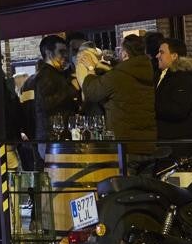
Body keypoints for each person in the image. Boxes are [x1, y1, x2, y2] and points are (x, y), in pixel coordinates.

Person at [78, 34, 157, 166]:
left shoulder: (119, 76)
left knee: (126, 185)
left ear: (125, 54)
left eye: (119, 50)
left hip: (125, 146)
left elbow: (93, 92)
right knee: (145, 185)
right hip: (147, 144)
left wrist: (91, 69)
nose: (117, 53)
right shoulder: (147, 72)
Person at [19, 35, 79, 169]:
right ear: (48, 53)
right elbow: (45, 105)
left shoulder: (34, 79)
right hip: (53, 139)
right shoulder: (49, 77)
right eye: (61, 52)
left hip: (42, 139)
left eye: (66, 52)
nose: (66, 56)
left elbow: (27, 112)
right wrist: (73, 89)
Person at [154, 37, 192, 148]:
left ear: (174, 56)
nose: (157, 56)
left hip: (177, 143)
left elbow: (178, 110)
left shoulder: (182, 78)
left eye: (162, 52)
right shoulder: (162, 75)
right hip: (167, 141)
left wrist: (150, 107)